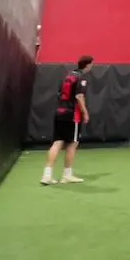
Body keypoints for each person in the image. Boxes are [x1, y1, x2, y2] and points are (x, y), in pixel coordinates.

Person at [41, 55, 93, 185]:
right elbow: (79, 96)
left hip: (60, 113)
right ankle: (67, 175)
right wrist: (85, 113)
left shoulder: (68, 76)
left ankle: (46, 176)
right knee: (72, 143)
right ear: (87, 65)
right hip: (72, 115)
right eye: (92, 64)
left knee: (57, 142)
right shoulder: (81, 78)